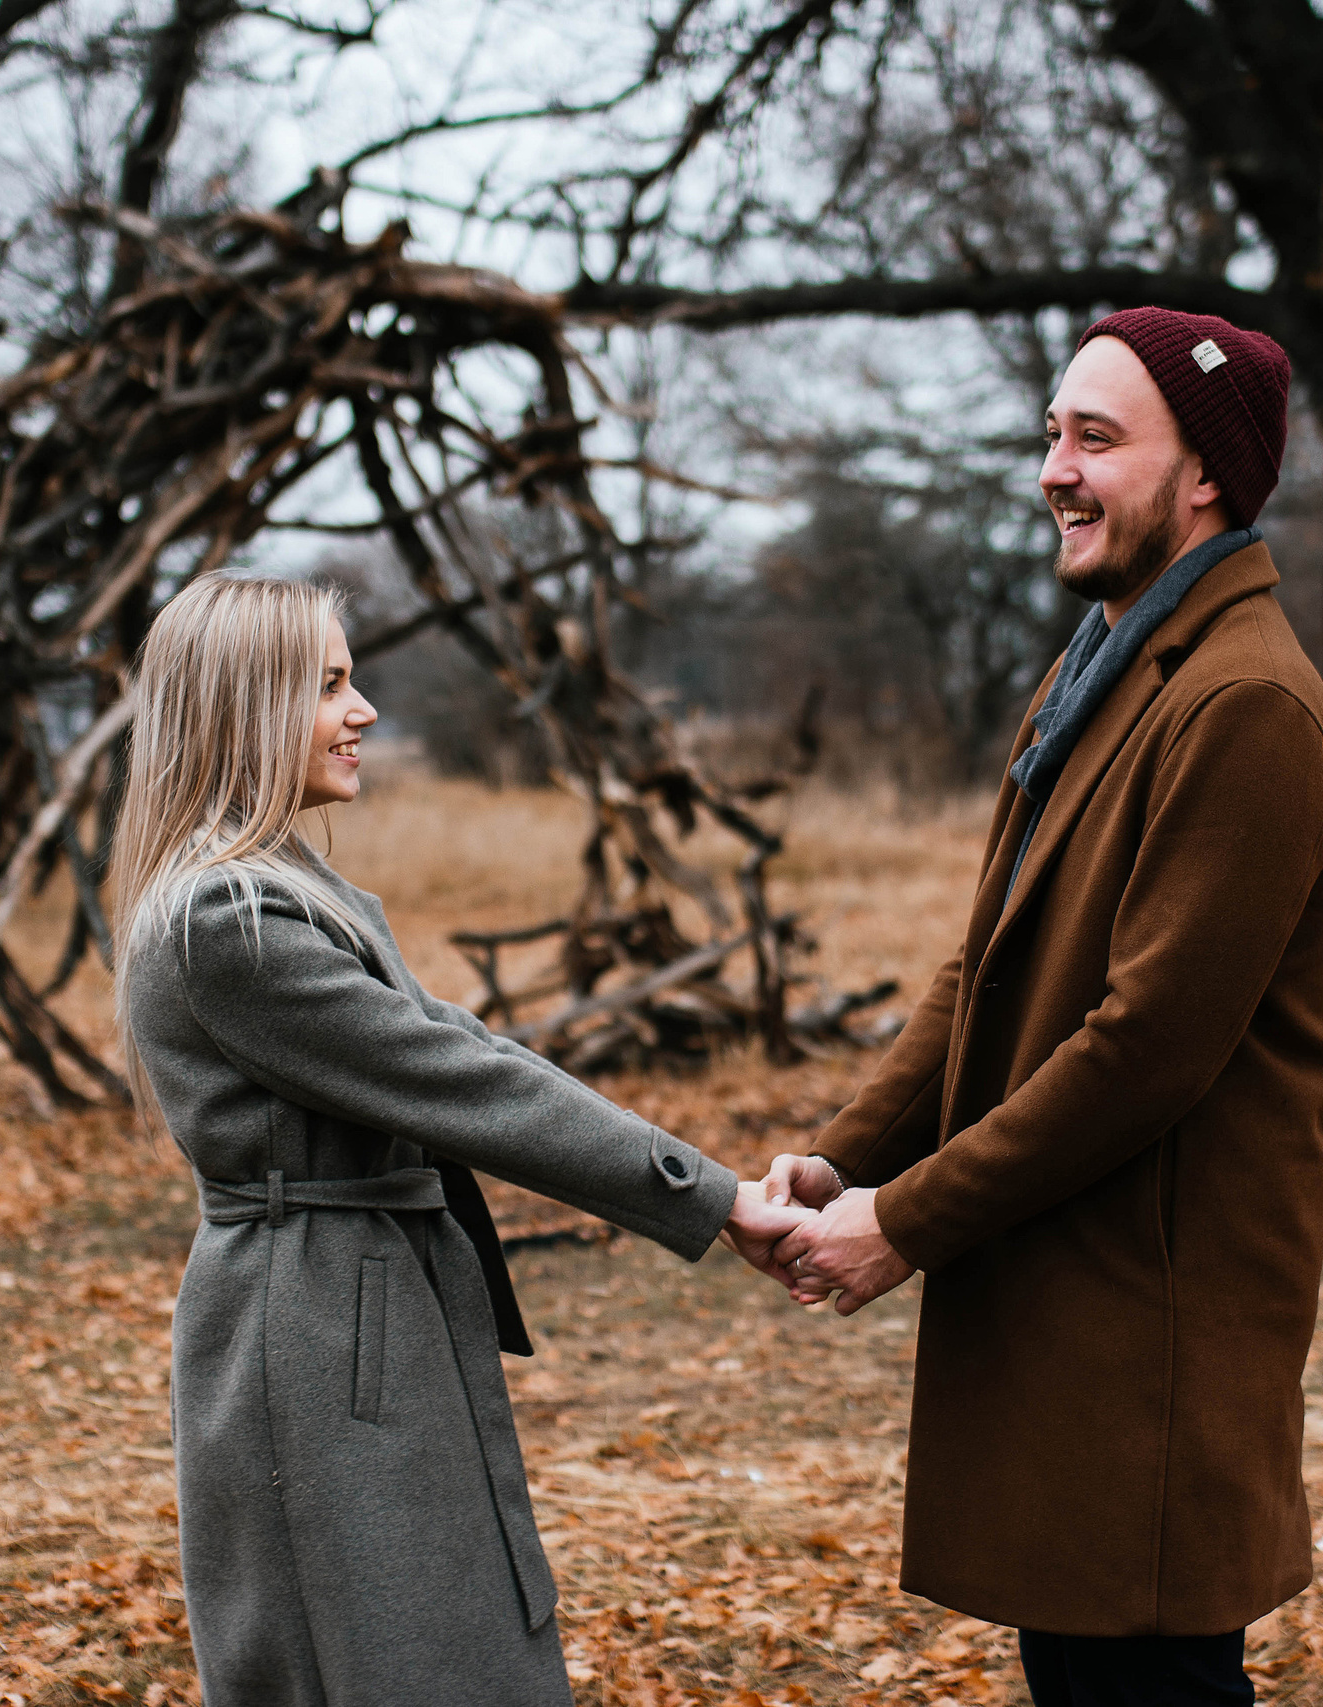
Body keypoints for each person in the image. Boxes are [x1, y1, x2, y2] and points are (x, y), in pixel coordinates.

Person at [765, 306, 1323, 1707]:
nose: (1055, 467)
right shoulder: (1102, 667)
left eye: (1097, 436)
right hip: (1066, 1296)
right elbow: (985, 965)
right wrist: (848, 1152)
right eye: (1051, 432)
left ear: (1205, 473)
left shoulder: (1246, 704)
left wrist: (904, 1221)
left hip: (1152, 1329)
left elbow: (1144, 1050)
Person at [107, 572, 810, 1707]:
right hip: (319, 1330)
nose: (364, 709)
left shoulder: (285, 887)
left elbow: (457, 1045)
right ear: (246, 706)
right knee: (385, 1651)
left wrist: (706, 1186)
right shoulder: (225, 923)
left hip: (357, 1305)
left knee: (433, 1630)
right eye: (329, 683)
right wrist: (712, 1198)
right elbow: (459, 1081)